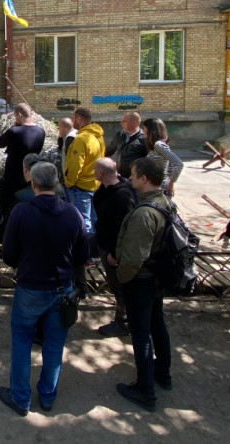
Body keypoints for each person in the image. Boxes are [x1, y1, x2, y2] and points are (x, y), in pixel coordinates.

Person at [0, 162, 89, 416]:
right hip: (62, 290)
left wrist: (24, 265)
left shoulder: (21, 212)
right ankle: (48, 396)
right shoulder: (73, 214)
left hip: (30, 287)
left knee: (21, 341)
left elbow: (8, 254)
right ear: (57, 181)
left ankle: (20, 397)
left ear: (33, 184)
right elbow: (82, 254)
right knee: (54, 344)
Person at [114, 157, 174, 413]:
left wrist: (122, 278)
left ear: (144, 179)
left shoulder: (145, 213)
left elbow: (135, 257)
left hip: (141, 280)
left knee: (141, 334)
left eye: (134, 174)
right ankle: (163, 375)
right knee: (157, 324)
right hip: (156, 277)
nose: (130, 177)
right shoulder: (165, 203)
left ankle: (145, 389)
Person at [91, 157, 137, 338]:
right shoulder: (104, 190)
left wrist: (115, 253)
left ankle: (124, 322)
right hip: (102, 243)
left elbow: (124, 229)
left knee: (120, 287)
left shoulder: (122, 196)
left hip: (113, 251)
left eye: (95, 170)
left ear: (101, 173)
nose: (93, 173)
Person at [0, 103, 46, 243]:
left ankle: (2, 239)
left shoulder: (14, 131)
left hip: (13, 175)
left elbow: (0, 143)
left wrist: (13, 127)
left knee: (3, 206)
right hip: (32, 176)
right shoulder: (41, 131)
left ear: (19, 115)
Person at [63, 107, 105, 236]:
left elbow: (76, 164)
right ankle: (94, 250)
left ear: (79, 119)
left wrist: (69, 182)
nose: (72, 120)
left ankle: (85, 253)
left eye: (73, 118)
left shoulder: (81, 139)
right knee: (92, 219)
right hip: (94, 184)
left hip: (80, 186)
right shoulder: (98, 137)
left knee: (82, 221)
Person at [142, 118, 183, 197]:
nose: (142, 130)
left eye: (144, 128)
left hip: (160, 188)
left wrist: (171, 183)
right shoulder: (157, 145)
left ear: (150, 129)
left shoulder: (158, 145)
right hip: (158, 186)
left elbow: (178, 164)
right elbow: (170, 164)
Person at [106, 111, 146, 178]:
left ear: (134, 123)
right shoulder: (120, 135)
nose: (121, 123)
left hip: (136, 178)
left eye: (124, 121)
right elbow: (109, 150)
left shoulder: (144, 139)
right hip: (120, 176)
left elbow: (148, 161)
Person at [56, 117, 76, 186]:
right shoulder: (74, 133)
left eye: (59, 128)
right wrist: (60, 137)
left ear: (65, 128)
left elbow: (70, 157)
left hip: (71, 178)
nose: (59, 130)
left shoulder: (70, 137)